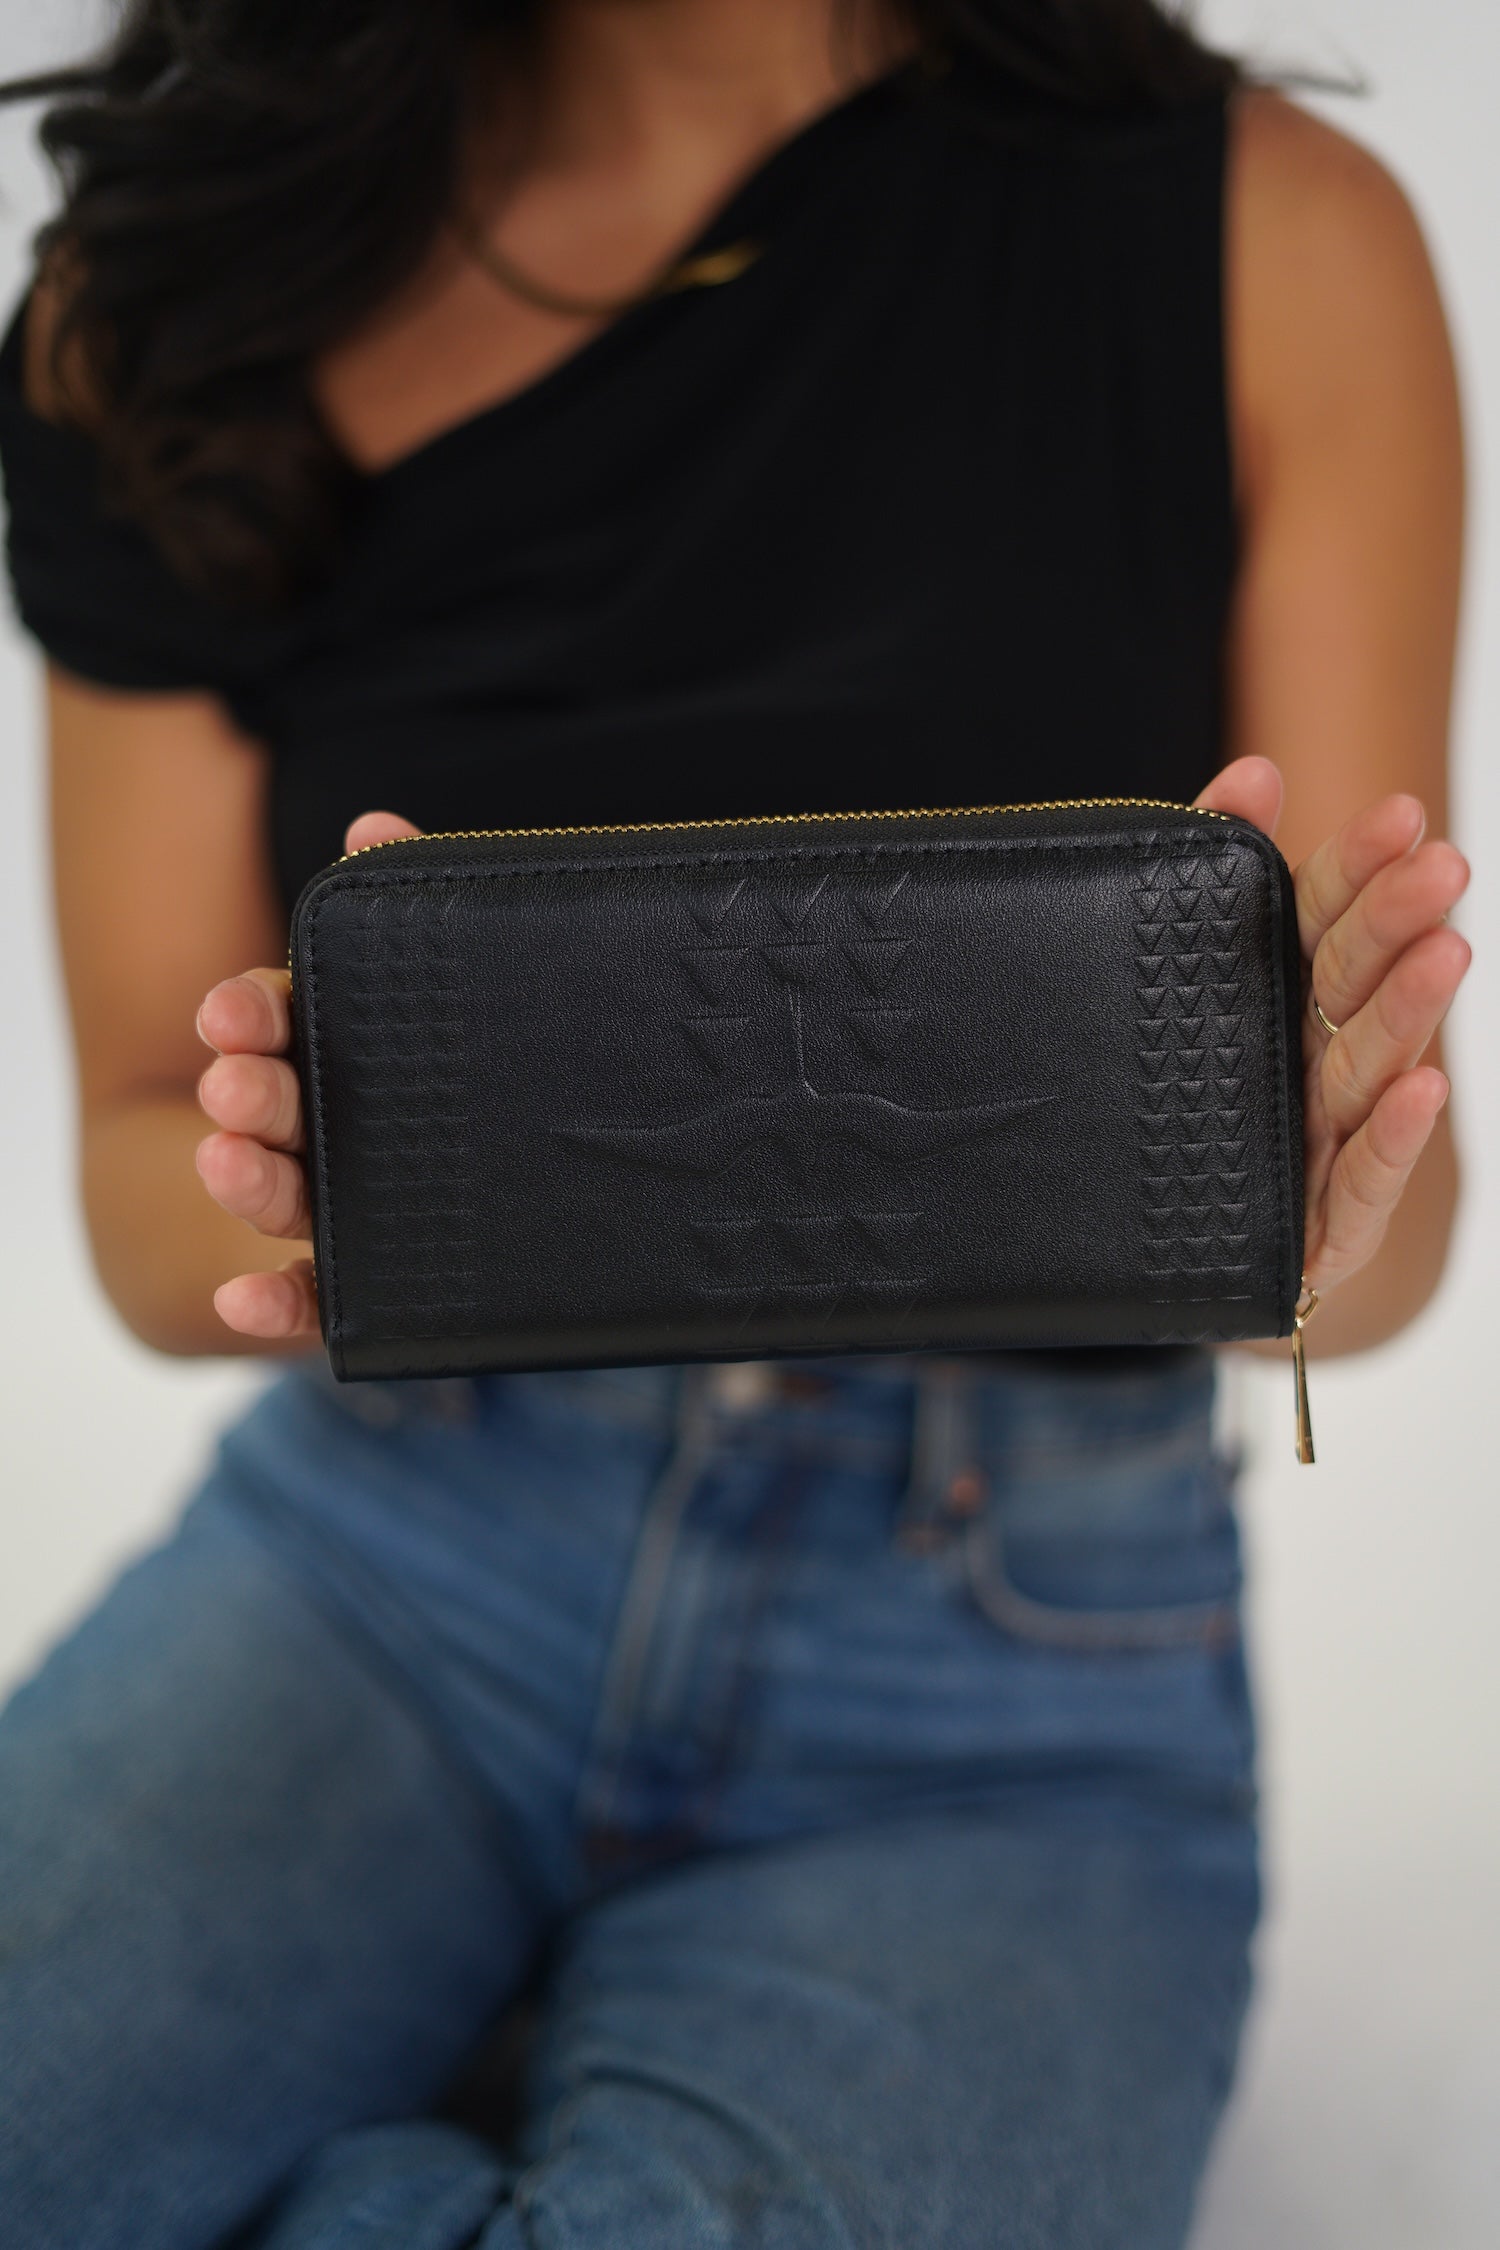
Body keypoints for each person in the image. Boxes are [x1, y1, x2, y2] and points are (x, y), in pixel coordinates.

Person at [0, 2, 1472, 2246]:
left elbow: (1380, 1246)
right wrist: (305, 1194)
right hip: (389, 1565)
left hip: (1007, 1668)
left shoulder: (1279, 241)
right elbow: (133, 1179)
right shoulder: (176, 294)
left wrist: (1317, 1195)